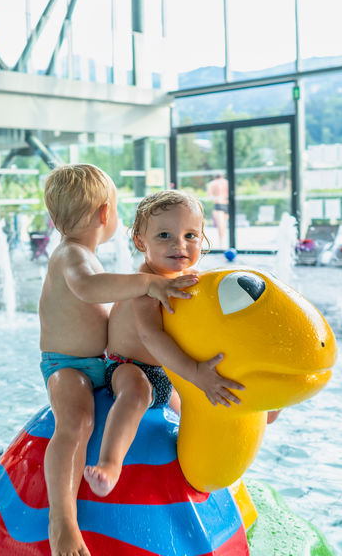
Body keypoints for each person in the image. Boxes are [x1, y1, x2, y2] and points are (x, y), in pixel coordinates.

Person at [39, 164, 198, 556]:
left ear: (55, 217)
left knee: (187, 406)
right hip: (68, 367)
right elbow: (89, 289)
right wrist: (147, 282)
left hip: (107, 365)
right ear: (105, 214)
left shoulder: (83, 254)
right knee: (76, 422)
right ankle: (62, 520)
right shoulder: (71, 256)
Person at [83, 190, 246, 497]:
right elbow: (150, 336)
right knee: (137, 393)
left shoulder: (186, 277)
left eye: (190, 235)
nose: (179, 245)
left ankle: (229, 454)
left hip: (167, 372)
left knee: (199, 410)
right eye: (165, 235)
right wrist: (195, 372)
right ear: (141, 242)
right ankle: (109, 464)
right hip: (127, 366)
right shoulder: (147, 282)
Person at [207, 171, 229, 247]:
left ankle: (221, 242)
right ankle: (224, 242)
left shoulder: (212, 184)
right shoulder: (227, 182)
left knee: (220, 225)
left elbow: (209, 196)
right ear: (222, 176)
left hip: (218, 205)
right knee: (224, 225)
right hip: (227, 204)